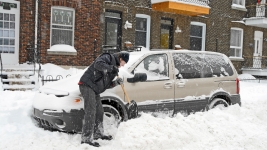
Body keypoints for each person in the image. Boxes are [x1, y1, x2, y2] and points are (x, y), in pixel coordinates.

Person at [78, 51, 130, 147]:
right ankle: (86, 138)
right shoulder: (108, 57)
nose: (123, 66)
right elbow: (98, 64)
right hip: (87, 85)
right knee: (91, 111)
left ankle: (98, 133)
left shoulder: (114, 69)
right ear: (121, 59)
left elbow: (106, 85)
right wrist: (111, 68)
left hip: (94, 89)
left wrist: (115, 83)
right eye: (124, 63)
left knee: (99, 112)